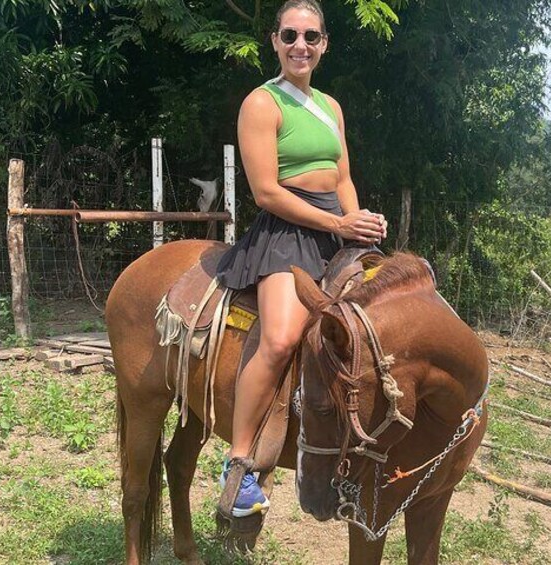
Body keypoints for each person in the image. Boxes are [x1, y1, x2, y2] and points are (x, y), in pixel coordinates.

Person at [215, 0, 388, 518]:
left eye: (311, 37)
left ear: (324, 44)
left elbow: (344, 178)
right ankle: (239, 463)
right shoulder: (261, 104)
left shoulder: (331, 107)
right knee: (281, 338)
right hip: (286, 232)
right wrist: (337, 224)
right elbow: (266, 192)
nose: (300, 46)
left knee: (373, 331)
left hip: (336, 228)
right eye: (290, 35)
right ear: (274, 41)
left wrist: (360, 234)